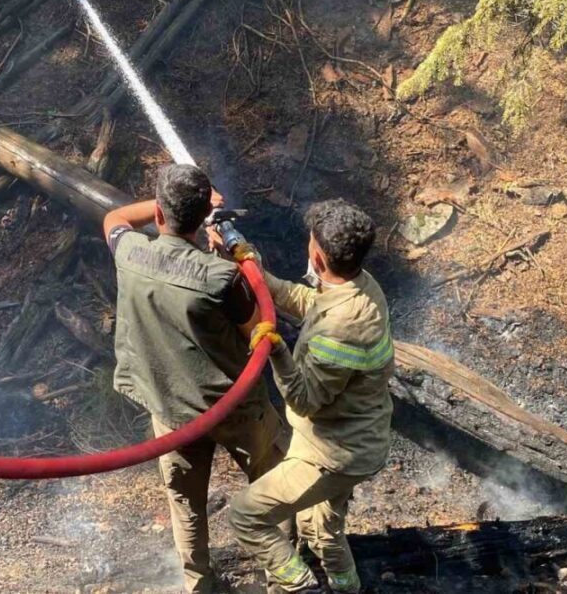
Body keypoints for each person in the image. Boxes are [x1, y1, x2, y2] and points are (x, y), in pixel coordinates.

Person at [103, 164, 287, 594]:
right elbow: (259, 328)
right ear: (202, 216)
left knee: (185, 503)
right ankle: (284, 575)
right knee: (273, 485)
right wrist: (226, 249)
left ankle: (199, 586)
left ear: (161, 216)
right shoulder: (220, 276)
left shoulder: (129, 252)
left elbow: (114, 219)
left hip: (170, 410)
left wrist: (176, 205)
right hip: (235, 408)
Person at [228, 199, 394, 594]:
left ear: (317, 256)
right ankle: (346, 587)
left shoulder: (342, 329)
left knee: (246, 515)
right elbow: (310, 303)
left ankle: (299, 586)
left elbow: (304, 400)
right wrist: (255, 270)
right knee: (320, 529)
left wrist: (278, 352)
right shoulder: (360, 286)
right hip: (354, 439)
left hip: (333, 456)